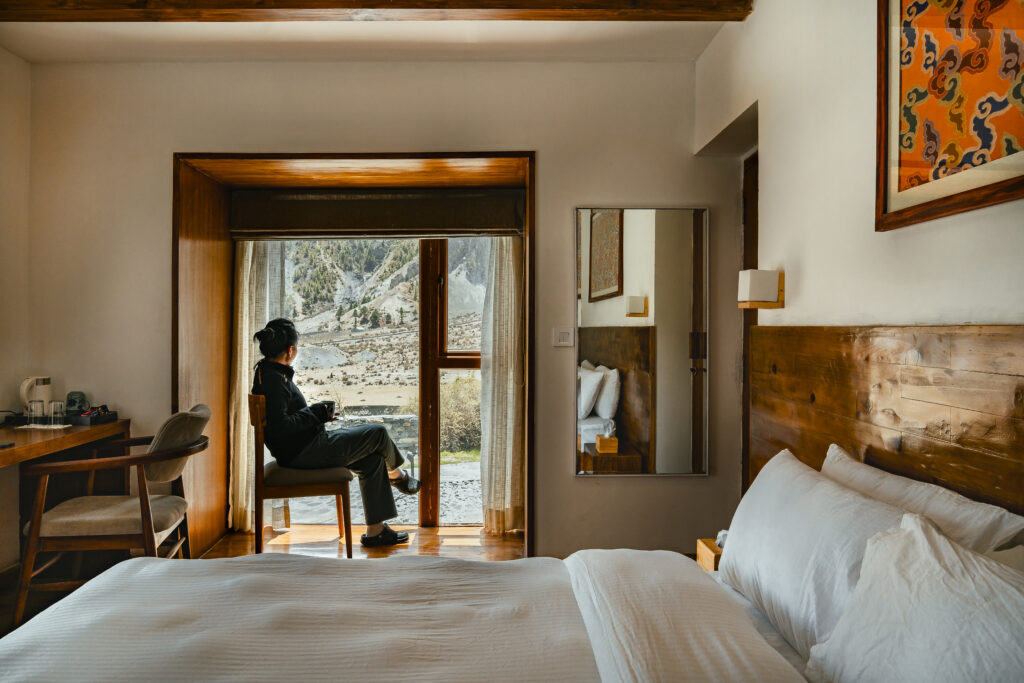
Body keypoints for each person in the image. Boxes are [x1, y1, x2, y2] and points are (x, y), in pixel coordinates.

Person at [251, 318, 420, 547]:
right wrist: (316, 413)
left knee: (372, 461)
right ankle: (397, 476)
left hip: (303, 448)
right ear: (290, 350)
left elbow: (285, 420)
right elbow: (281, 427)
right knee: (378, 433)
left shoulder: (268, 373)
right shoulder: (274, 381)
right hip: (306, 452)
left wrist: (319, 414)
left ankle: (376, 532)